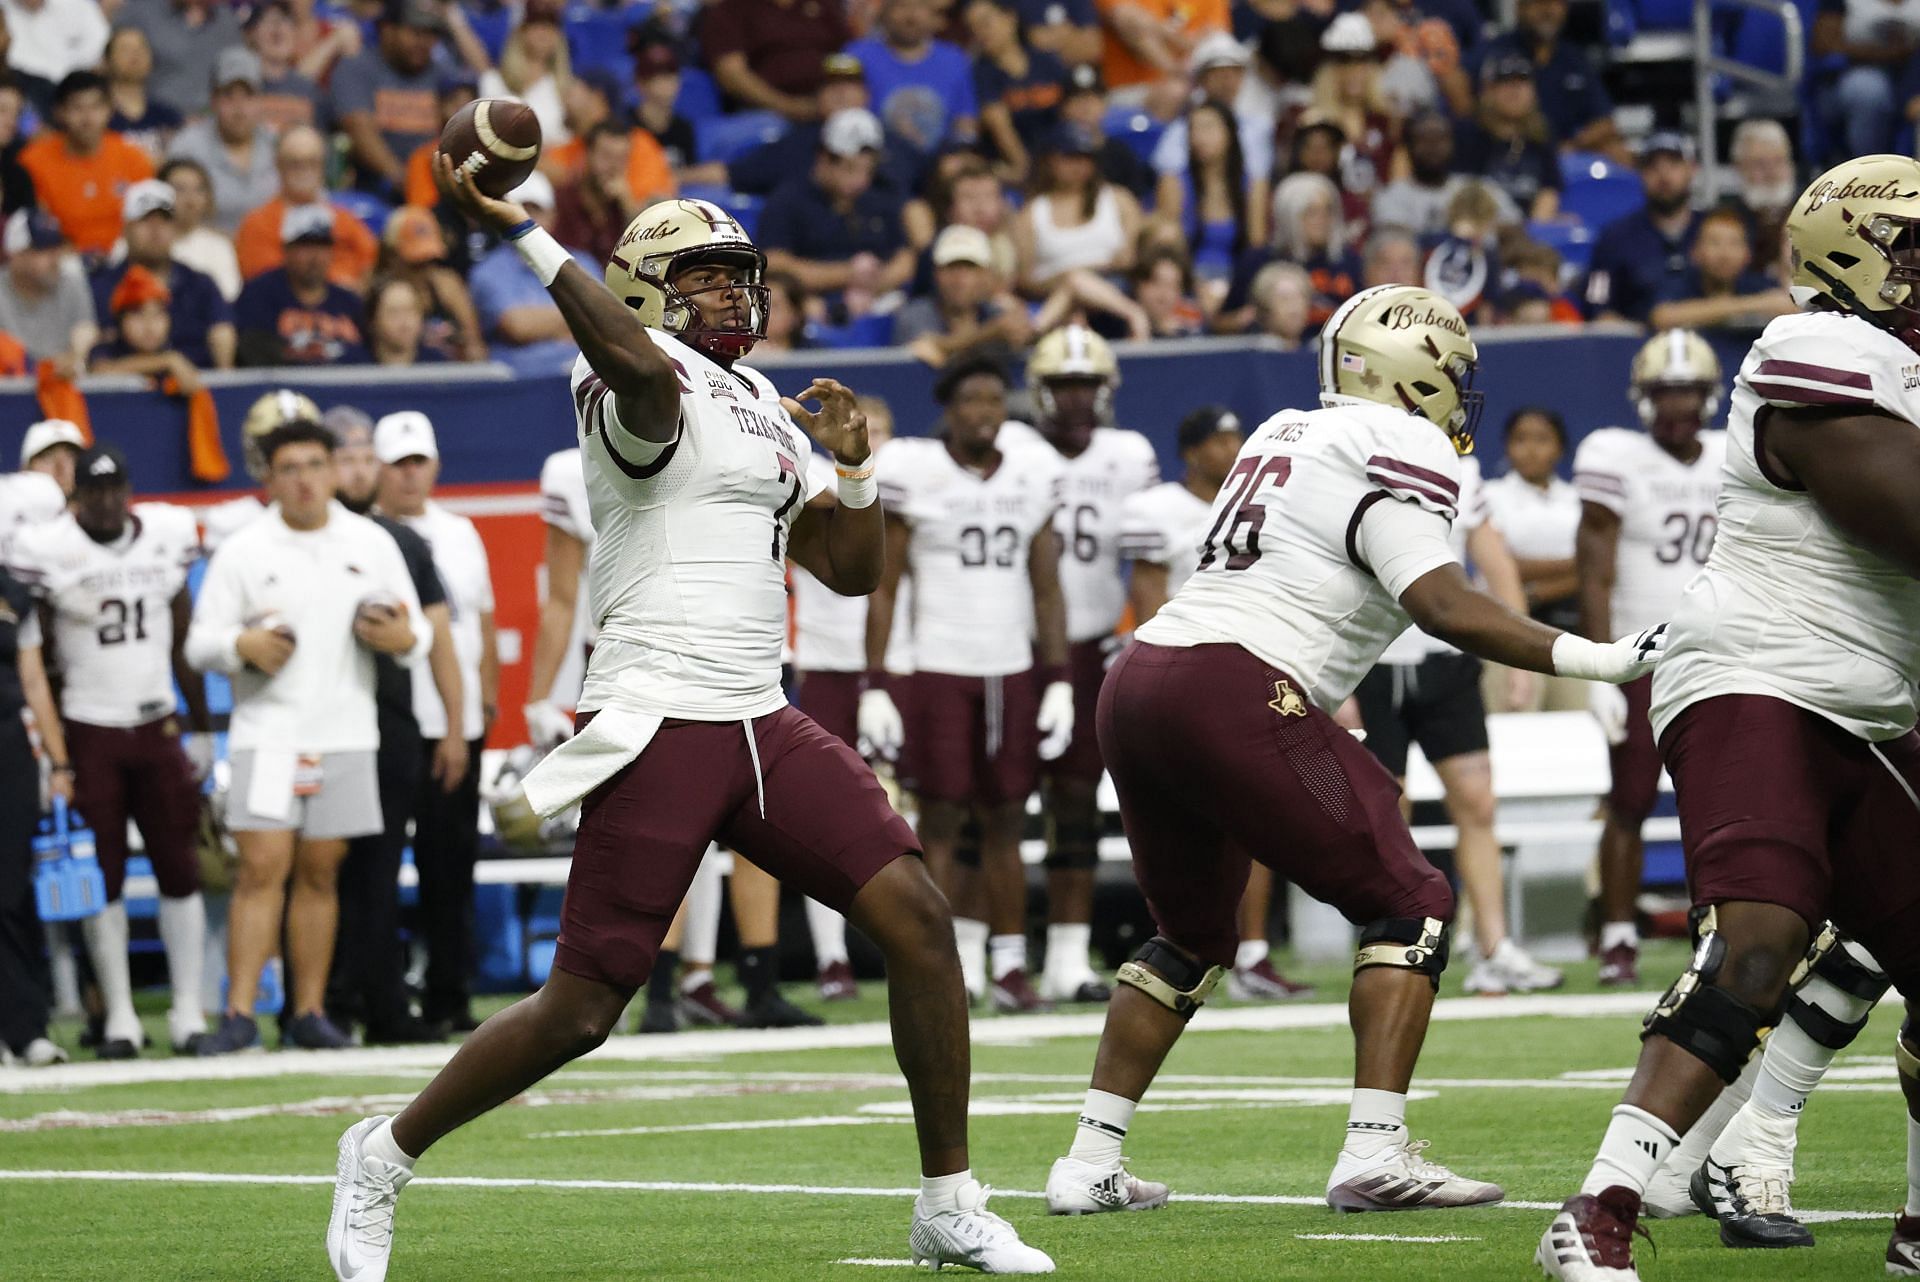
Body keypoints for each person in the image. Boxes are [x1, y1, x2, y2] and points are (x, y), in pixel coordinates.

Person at [325, 167, 1055, 1275]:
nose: (729, 297)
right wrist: (522, 232)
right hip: (658, 714)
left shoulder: (762, 405)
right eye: (703, 279)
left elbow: (851, 572)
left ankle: (948, 1200)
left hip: (762, 716)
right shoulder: (619, 372)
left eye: (737, 279)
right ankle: (383, 1151)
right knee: (581, 1009)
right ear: (643, 291)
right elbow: (642, 375)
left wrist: (854, 469)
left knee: (916, 916)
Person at [1040, 282, 1665, 1220]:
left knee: (1192, 936)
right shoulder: (1403, 444)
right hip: (1233, 681)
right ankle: (1376, 1150)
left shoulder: (1282, 431)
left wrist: (1331, 702)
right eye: (1450, 371)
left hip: (1145, 678)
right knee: (1410, 901)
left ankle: (1087, 1162)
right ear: (1413, 375)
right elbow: (1439, 604)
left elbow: (1309, 580)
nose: (1459, 390)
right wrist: (1601, 656)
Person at [1534, 153, 1920, 1282]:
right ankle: (1599, 1208)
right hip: (1761, 670)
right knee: (1762, 936)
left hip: (1872, 700)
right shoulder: (1818, 346)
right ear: (1855, 252)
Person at [186, 407, 429, 1056]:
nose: (304, 481)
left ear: (333, 471)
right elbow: (200, 644)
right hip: (268, 733)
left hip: (347, 731)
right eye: (289, 469)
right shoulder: (243, 550)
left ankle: (309, 1011)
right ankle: (238, 1015)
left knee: (322, 874)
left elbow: (419, 632)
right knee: (261, 869)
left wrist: (401, 637)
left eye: (315, 466)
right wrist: (245, 644)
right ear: (268, 477)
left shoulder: (369, 542)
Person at [861, 356, 1072, 1012]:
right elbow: (885, 586)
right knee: (943, 819)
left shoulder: (1033, 474)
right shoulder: (915, 473)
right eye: (970, 401)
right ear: (949, 409)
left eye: (993, 399)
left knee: (1009, 816)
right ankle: (946, 958)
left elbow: (1046, 587)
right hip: (939, 664)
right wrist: (876, 680)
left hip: (1010, 665)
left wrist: (1059, 676)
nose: (983, 412)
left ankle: (1010, 963)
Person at [8, 444, 210, 1057]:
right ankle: (120, 1015)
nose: (104, 500)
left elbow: (182, 639)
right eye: (92, 491)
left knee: (181, 867)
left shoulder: (165, 538)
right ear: (77, 497)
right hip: (89, 728)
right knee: (104, 878)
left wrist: (198, 723)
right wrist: (55, 748)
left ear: (127, 489)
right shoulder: (50, 551)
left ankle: (187, 1011)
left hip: (156, 723)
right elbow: (39, 655)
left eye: (113, 488)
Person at [1350, 429, 1565, 995]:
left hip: (1444, 659)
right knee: (1385, 808)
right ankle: (1392, 940)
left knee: (1477, 800)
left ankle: (1493, 945)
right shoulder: (1350, 457)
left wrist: (1521, 659)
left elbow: (1495, 564)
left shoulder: (1459, 470)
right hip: (1369, 656)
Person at [1118, 403, 1312, 1001]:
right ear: (1191, 450)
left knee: (1258, 816)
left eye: (1238, 437)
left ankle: (1251, 952)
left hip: (1246, 668)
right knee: (1184, 828)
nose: (1232, 448)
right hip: (1180, 673)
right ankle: (1184, 947)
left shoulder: (1264, 504)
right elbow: (1147, 599)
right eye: (1220, 439)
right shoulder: (1157, 511)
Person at [999, 326, 1157, 1004]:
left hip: (1092, 641)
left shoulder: (1127, 455)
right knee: (995, 802)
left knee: (1076, 801)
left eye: (1085, 386)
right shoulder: (1010, 448)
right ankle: (994, 955)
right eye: (1063, 387)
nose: (1075, 401)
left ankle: (1066, 956)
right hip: (1008, 644)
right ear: (1038, 392)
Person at [1572, 329, 1726, 988]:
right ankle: (1616, 935)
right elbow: (1593, 571)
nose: (1678, 406)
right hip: (1643, 653)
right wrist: (1602, 663)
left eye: (1688, 391)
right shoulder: (1615, 455)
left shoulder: (1733, 452)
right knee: (1630, 798)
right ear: (1643, 396)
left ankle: (1715, 928)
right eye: (1667, 392)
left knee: (1721, 803)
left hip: (1720, 652)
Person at [308, 402, 452, 1047]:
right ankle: (322, 1004)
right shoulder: (297, 541)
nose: (360, 467)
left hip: (390, 720)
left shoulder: (402, 542)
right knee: (318, 869)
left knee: (380, 870)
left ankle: (384, 1005)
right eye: (348, 456)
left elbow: (435, 635)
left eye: (369, 456)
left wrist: (451, 721)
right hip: (319, 721)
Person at [372, 410, 498, 1034]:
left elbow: (482, 618)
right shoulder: (364, 535)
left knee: (450, 867)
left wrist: (484, 703)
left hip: (458, 719)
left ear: (435, 465)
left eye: (418, 461)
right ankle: (381, 996)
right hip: (390, 722)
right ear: (377, 469)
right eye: (398, 464)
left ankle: (450, 994)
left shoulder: (460, 532)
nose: (409, 474)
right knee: (378, 867)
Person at [0, 541, 68, 1067]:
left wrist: (60, 762)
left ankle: (25, 1026)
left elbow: (32, 679)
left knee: (11, 889)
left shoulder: (12, 591)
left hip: (8, 749)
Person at [758, 109, 915, 313]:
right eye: (850, 169)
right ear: (824, 158)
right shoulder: (788, 200)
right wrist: (848, 274)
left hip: (876, 300)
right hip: (814, 304)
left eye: (868, 170)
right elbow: (776, 264)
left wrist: (875, 285)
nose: (861, 180)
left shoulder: (878, 198)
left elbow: (905, 258)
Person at [1481, 407, 1583, 708]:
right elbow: (1503, 567)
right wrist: (1575, 567)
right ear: (1506, 446)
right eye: (1520, 439)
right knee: (1514, 732)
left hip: (1571, 637)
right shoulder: (1490, 495)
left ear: (1560, 447)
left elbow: (1599, 570)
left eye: (1542, 439)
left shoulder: (1577, 500)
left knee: (1574, 732)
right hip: (1507, 639)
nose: (1530, 449)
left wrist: (1538, 591)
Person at [90, 179, 234, 368]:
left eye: (164, 220)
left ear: (175, 228)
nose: (156, 230)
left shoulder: (199, 284)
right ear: (125, 228)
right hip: (123, 393)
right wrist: (166, 363)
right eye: (145, 220)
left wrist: (225, 381)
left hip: (197, 386)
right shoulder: (102, 286)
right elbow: (96, 364)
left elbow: (222, 331)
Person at [468, 171, 596, 376]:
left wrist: (542, 323)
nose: (527, 219)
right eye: (520, 210)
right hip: (517, 383)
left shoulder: (582, 262)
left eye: (536, 210)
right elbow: (516, 326)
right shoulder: (488, 270)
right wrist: (578, 317)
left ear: (553, 215)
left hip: (579, 379)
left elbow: (604, 321)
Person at [18, 70, 155, 255]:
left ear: (110, 110)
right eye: (77, 108)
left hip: (122, 259)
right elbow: (29, 226)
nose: (87, 118)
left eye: (96, 107)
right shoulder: (32, 161)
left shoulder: (134, 159)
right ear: (59, 112)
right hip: (58, 260)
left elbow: (148, 224)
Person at [1472, 0, 1625, 162]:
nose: (1548, 11)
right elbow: (1469, 110)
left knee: (1618, 153)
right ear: (1520, 8)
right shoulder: (1495, 53)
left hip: (1566, 153)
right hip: (1507, 149)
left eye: (1556, 3)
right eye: (1539, 3)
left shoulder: (1575, 59)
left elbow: (1605, 122)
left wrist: (1572, 146)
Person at [235, 124, 381, 285]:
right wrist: (338, 287)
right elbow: (267, 285)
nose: (304, 170)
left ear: (323, 166)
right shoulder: (258, 224)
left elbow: (373, 261)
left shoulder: (344, 219)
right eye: (295, 163)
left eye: (312, 162)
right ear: (278, 165)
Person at [1584, 133, 1702, 324]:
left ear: (1692, 169)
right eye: (1652, 167)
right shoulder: (1613, 238)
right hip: (1635, 344)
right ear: (1640, 173)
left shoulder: (1713, 231)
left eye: (1673, 164)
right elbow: (1595, 300)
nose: (1663, 176)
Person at [1013, 122, 1144, 295]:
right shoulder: (1030, 215)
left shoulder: (1119, 199)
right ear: (1050, 160)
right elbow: (1025, 280)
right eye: (1070, 158)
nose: (1079, 166)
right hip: (1057, 295)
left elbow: (1134, 257)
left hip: (1117, 287)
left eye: (1086, 158)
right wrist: (1072, 279)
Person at [330, 0, 443, 196]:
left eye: (431, 34)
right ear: (387, 29)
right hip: (376, 191)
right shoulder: (356, 68)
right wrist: (407, 181)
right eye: (416, 33)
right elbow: (359, 129)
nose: (424, 43)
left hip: (433, 189)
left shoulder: (440, 73)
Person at [235, 203, 369, 366]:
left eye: (322, 247)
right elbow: (253, 353)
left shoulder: (349, 302)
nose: (315, 257)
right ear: (286, 250)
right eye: (305, 246)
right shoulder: (259, 294)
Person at [164, 49, 279, 238]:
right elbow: (169, 213)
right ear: (213, 101)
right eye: (228, 95)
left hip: (270, 253)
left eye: (248, 95)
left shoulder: (278, 145)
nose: (239, 108)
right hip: (205, 253)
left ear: (261, 101)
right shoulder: (187, 148)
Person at [847, 0, 978, 156]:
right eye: (901, 6)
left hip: (939, 162)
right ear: (883, 13)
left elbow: (965, 121)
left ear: (933, 15)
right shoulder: (856, 56)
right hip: (875, 162)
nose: (911, 16)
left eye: (920, 7)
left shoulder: (954, 59)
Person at [1154, 99, 1260, 287]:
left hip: (1237, 282)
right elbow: (1169, 249)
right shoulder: (1174, 183)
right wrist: (1199, 285)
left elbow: (1256, 247)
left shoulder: (1251, 186)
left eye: (1208, 128)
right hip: (1188, 282)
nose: (1199, 137)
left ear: (1230, 133)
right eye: (1193, 129)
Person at [893, 224, 1030, 366]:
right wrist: (990, 334)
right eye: (951, 268)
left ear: (985, 275)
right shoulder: (915, 314)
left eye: (969, 268)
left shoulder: (995, 313)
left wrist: (1025, 329)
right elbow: (926, 347)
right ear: (936, 274)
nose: (959, 280)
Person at [1451, 53, 1561, 224]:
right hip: (1483, 228)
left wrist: (1536, 230)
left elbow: (1548, 192)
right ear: (1488, 91)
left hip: (1527, 235)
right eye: (1505, 83)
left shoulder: (1541, 138)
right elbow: (1465, 195)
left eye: (1522, 83)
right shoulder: (1469, 134)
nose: (1515, 90)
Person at [1648, 208, 1795, 333]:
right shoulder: (1679, 283)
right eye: (1714, 243)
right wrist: (1752, 305)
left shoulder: (1759, 284)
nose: (1724, 254)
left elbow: (1787, 307)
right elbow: (1662, 318)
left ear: (1747, 254)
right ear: (1695, 252)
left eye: (1734, 243)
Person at [698, 0, 851, 120]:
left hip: (830, 106)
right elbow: (731, 74)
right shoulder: (731, 10)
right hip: (763, 112)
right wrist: (790, 107)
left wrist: (839, 97)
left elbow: (853, 54)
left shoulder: (823, 5)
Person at [969, 0, 1069, 182]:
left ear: (1010, 18)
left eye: (985, 23)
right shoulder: (981, 73)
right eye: (973, 28)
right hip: (1020, 167)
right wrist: (1028, 171)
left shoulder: (1046, 61)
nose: (981, 33)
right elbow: (999, 124)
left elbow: (1070, 109)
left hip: (1062, 157)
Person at [0, 208, 97, 369]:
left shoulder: (71, 283)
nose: (55, 259)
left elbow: (85, 333)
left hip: (61, 384)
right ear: (16, 254)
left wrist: (77, 355)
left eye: (57, 249)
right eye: (43, 250)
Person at [120, 0, 244, 119]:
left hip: (211, 123)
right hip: (154, 118)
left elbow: (239, 73)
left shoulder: (226, 20)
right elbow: (111, 55)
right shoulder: (143, 11)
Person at [478, 0, 571, 146]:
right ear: (521, 31)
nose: (544, 32)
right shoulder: (493, 80)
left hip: (550, 161)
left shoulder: (565, 87)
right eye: (537, 26)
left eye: (550, 27)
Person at [1095, 0, 1229, 92]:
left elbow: (1217, 36)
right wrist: (1183, 41)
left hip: (1197, 77)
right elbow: (1130, 22)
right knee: (1175, 91)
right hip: (1134, 88)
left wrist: (1158, 32)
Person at [159, 158, 241, 301]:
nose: (191, 200)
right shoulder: (139, 242)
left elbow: (228, 296)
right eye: (179, 189)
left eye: (199, 190)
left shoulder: (219, 246)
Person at [103, 25, 182, 163]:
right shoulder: (98, 116)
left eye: (141, 48)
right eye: (125, 49)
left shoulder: (168, 115)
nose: (135, 54)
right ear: (106, 61)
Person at [246, 0, 325, 131]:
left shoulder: (309, 90)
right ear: (252, 34)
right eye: (269, 22)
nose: (278, 29)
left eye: (286, 22)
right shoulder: (241, 84)